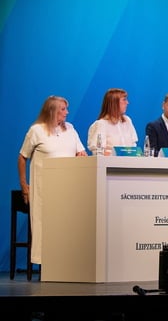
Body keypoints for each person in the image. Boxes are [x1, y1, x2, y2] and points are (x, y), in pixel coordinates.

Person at [18, 95, 88, 266]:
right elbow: (22, 157)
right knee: (44, 224)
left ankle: (66, 260)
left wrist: (81, 154)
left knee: (68, 224)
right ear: (52, 111)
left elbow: (81, 151)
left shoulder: (70, 129)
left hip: (68, 187)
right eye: (63, 109)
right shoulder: (37, 130)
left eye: (66, 109)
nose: (67, 112)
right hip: (45, 188)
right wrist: (24, 185)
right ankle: (46, 262)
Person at [87, 88, 138, 155]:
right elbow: (98, 151)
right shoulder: (101, 124)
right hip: (110, 164)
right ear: (114, 103)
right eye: (124, 100)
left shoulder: (127, 121)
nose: (127, 103)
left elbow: (133, 146)